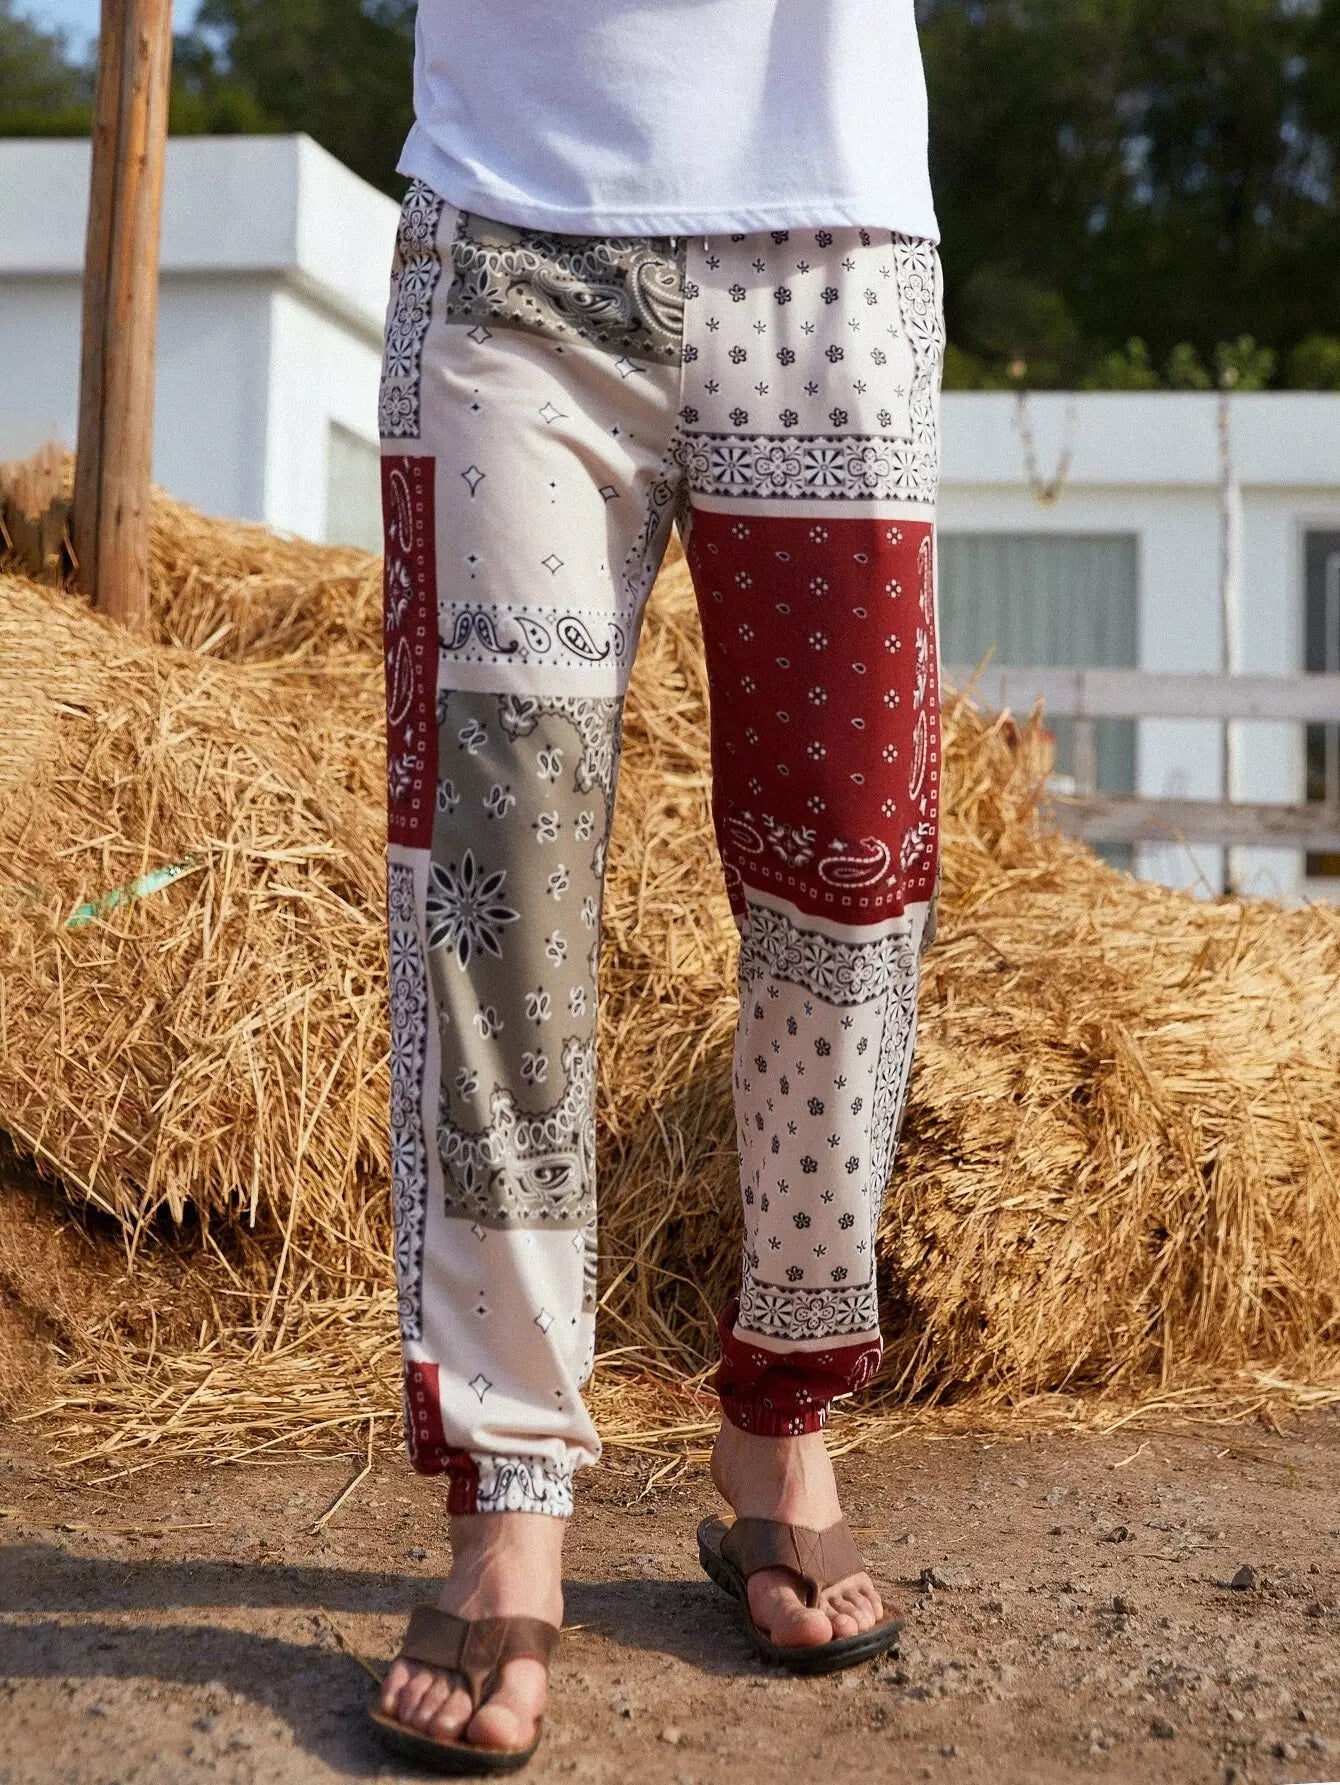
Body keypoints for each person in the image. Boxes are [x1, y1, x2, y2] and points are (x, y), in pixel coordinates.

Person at [370, 2, 944, 1770]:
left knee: (850, 872)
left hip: (832, 229)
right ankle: (510, 1488)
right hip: (512, 215)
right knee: (498, 882)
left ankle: (781, 1413)